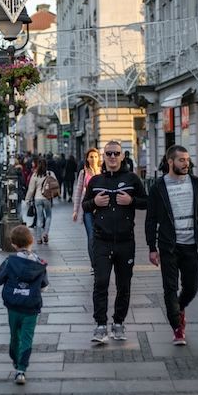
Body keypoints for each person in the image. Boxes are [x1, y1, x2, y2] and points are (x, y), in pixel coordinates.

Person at [145, 145, 198, 346]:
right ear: (170, 162)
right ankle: (177, 328)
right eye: (181, 160)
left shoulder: (196, 184)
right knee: (170, 288)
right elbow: (151, 220)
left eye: (187, 160)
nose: (186, 164)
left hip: (191, 245)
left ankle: (178, 308)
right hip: (168, 246)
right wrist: (152, 247)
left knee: (192, 286)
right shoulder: (158, 187)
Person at [83, 140, 148, 343]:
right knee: (100, 282)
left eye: (116, 153)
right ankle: (100, 325)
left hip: (125, 241)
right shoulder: (96, 181)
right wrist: (94, 203)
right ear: (104, 156)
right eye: (109, 153)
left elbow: (147, 202)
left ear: (122, 156)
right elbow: (85, 205)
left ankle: (118, 323)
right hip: (102, 241)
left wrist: (132, 202)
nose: (112, 157)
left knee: (124, 285)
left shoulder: (132, 179)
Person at [0, 225, 49, 385]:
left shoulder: (9, 262)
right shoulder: (39, 263)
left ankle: (15, 359)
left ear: (13, 244)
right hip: (31, 307)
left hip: (13, 305)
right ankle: (21, 370)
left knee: (15, 335)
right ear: (31, 241)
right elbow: (44, 286)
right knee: (27, 337)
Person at [72, 148, 102, 270]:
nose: (93, 159)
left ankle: (102, 261)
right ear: (87, 159)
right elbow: (78, 192)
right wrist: (75, 210)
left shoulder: (103, 172)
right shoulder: (83, 173)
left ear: (98, 158)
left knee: (101, 236)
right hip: (88, 209)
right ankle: (94, 264)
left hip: (101, 209)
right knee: (91, 236)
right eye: (91, 157)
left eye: (95, 156)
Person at [25, 158, 54, 245]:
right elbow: (55, 184)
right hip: (47, 198)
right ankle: (45, 233)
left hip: (37, 199)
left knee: (39, 218)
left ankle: (38, 238)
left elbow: (31, 189)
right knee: (48, 216)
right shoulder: (50, 173)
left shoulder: (35, 175)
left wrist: (27, 199)